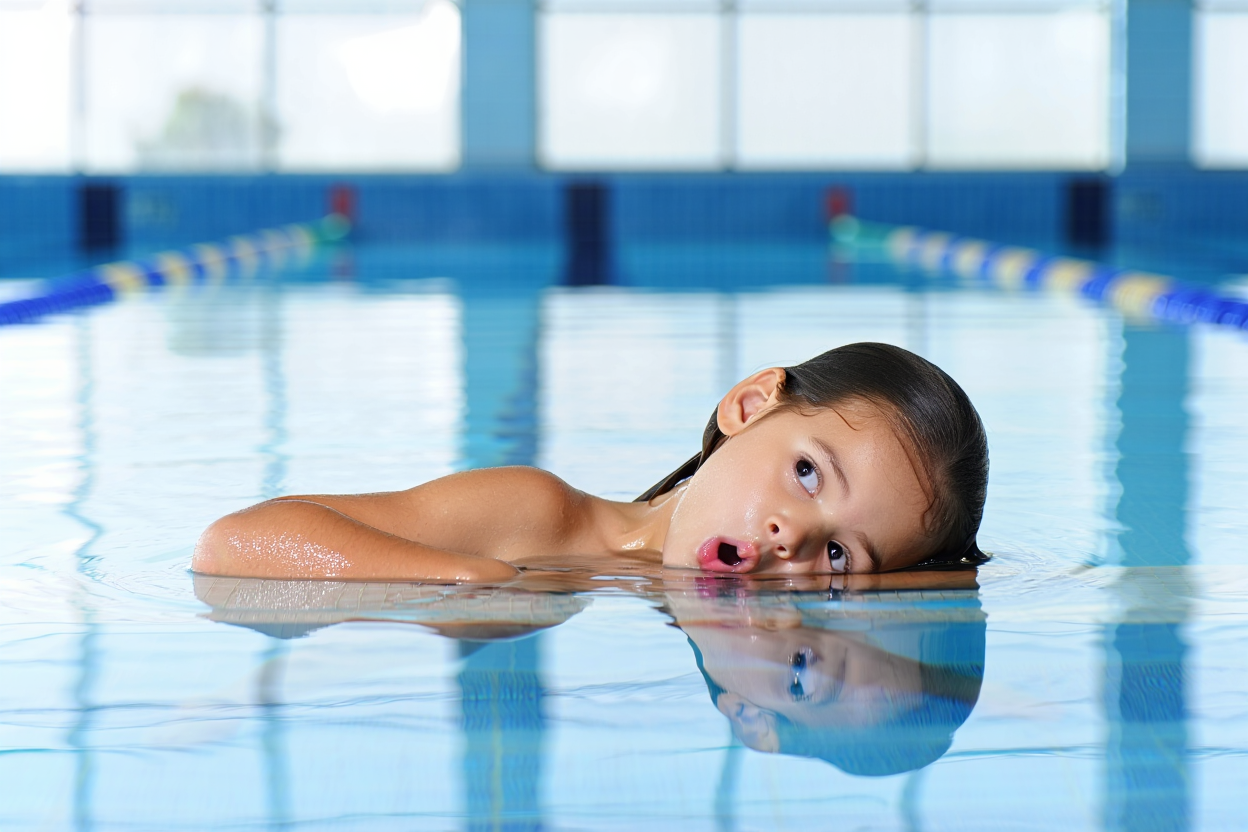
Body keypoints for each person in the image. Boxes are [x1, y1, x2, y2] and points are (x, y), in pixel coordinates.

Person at [192, 342, 989, 583]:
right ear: (749, 407)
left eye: (840, 554)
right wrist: (460, 577)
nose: (794, 537)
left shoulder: (776, 616)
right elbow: (236, 541)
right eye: (808, 473)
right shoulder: (542, 520)